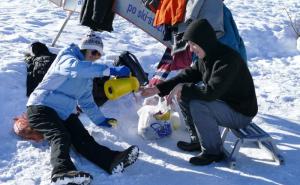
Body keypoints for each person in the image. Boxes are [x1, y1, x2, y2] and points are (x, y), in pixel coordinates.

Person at [26, 31, 139, 185]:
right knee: (60, 135)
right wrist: (109, 70)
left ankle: (111, 160)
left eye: (98, 55)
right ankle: (62, 171)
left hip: (64, 112)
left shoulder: (87, 78)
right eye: (93, 52)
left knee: (83, 138)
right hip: (41, 106)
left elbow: (87, 102)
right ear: (83, 49)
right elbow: (75, 68)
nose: (95, 56)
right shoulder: (67, 57)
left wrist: (101, 120)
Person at [141, 19, 258, 166]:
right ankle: (197, 140)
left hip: (240, 112)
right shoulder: (206, 56)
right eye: (189, 45)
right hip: (225, 103)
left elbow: (211, 93)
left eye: (193, 44)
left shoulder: (227, 60)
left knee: (198, 104)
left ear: (205, 42)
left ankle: (213, 152)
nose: (190, 49)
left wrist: (184, 87)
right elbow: (186, 76)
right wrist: (158, 88)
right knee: (184, 95)